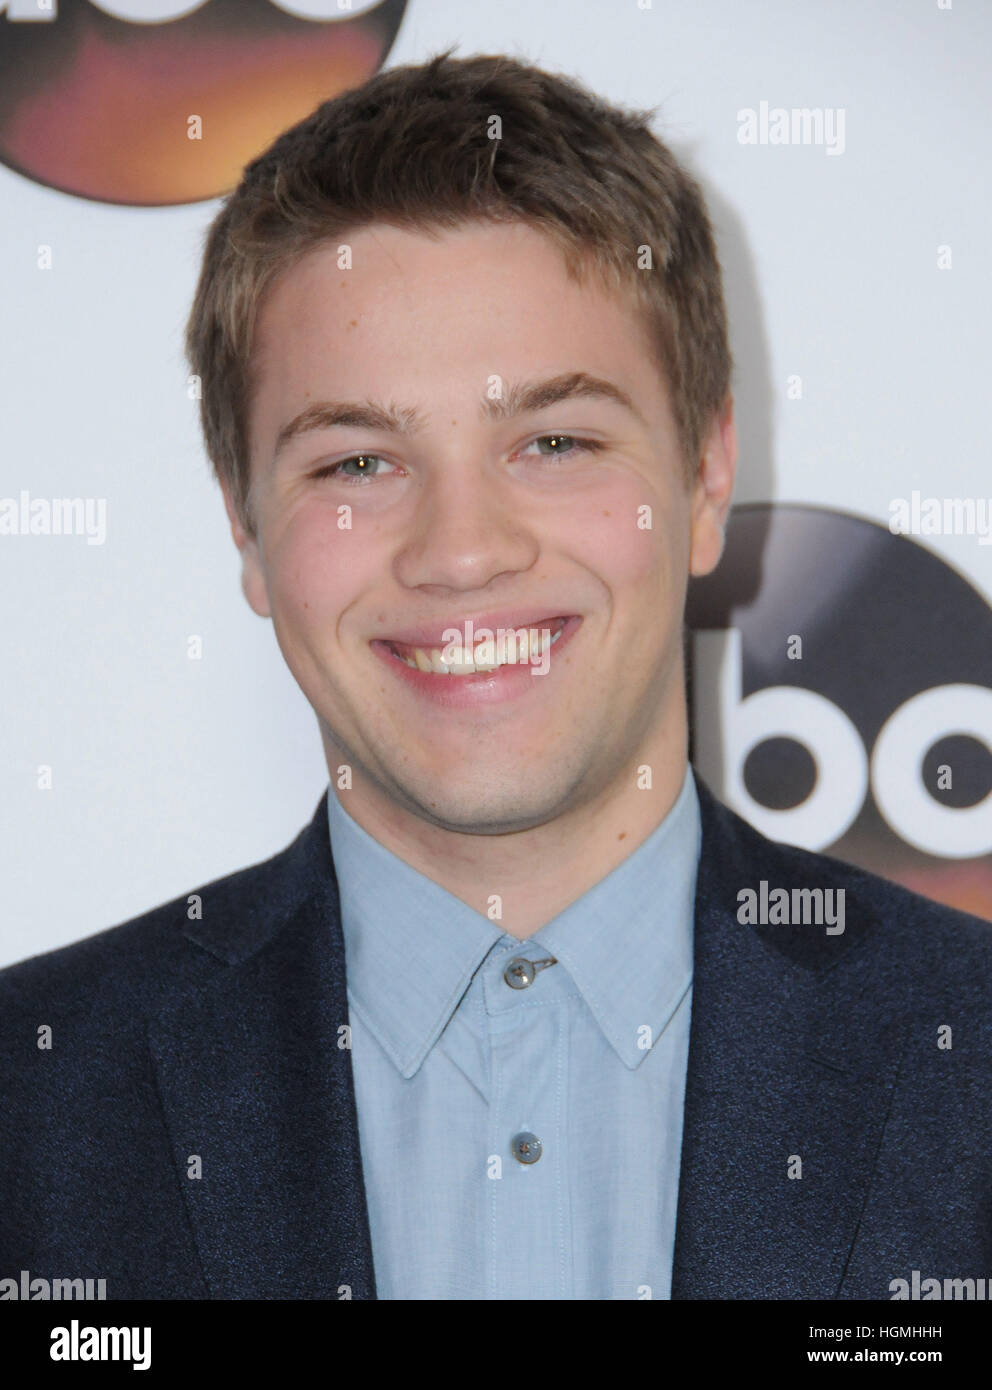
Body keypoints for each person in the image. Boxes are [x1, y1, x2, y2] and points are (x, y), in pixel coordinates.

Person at [2, 49, 989, 1302]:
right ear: (245, 528)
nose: (461, 551)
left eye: (554, 440)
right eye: (357, 462)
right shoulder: (33, 1100)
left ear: (704, 478)